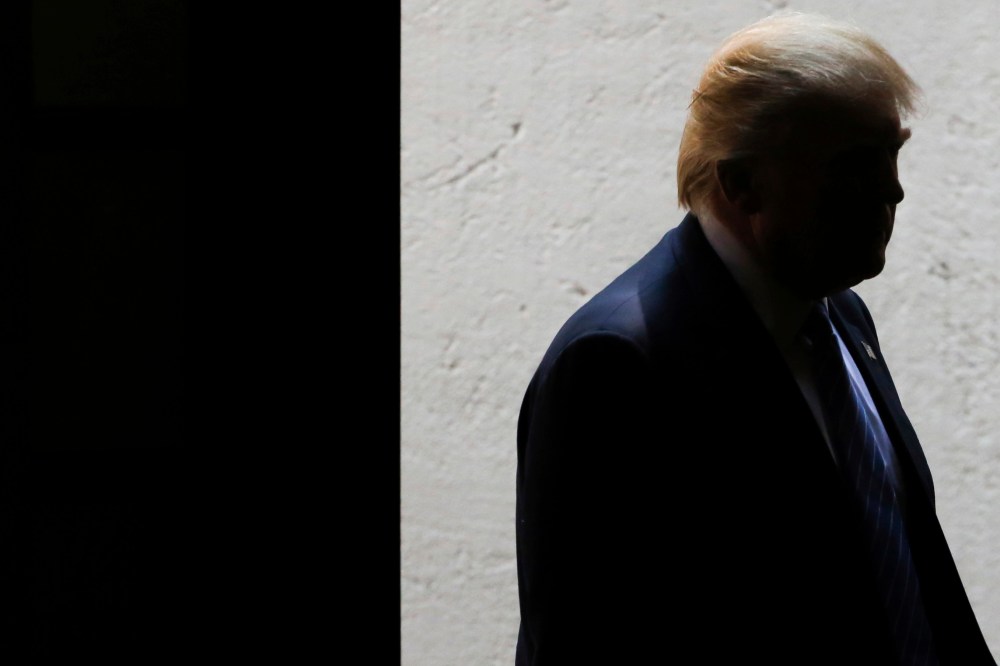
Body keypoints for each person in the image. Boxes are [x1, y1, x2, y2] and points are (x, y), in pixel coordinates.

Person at [514, 12, 996, 666]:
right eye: (855, 165)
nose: (893, 189)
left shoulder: (840, 318)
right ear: (741, 182)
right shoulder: (615, 365)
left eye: (894, 152)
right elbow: (587, 640)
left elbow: (907, 570)